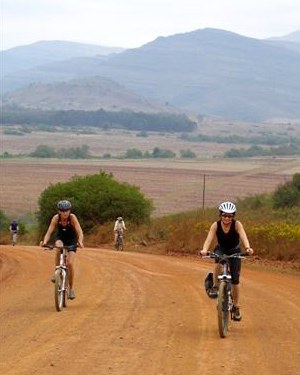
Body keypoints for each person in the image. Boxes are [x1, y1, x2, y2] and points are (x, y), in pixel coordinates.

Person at [200, 201, 254, 321]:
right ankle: (214, 286)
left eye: (230, 216)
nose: (227, 218)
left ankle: (236, 307)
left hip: (235, 250)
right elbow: (209, 238)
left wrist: (248, 248)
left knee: (235, 280)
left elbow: (243, 236)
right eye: (224, 215)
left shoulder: (237, 225)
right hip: (221, 249)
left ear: (233, 216)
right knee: (218, 259)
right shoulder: (216, 225)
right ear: (220, 215)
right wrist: (204, 249)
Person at [40, 200, 84, 300]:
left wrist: (80, 241)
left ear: (69, 211)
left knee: (70, 264)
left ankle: (71, 289)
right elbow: (49, 231)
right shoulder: (56, 218)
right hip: (61, 238)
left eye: (66, 211)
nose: (64, 213)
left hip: (72, 240)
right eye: (62, 211)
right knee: (58, 248)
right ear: (59, 211)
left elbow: (80, 231)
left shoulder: (72, 218)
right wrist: (45, 241)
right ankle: (57, 271)